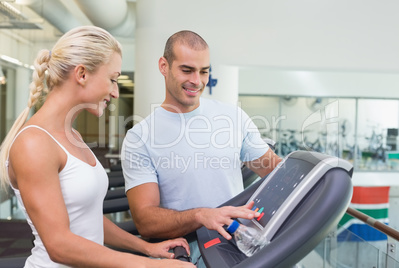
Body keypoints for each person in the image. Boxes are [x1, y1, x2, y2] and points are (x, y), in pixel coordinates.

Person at [0, 26, 195, 268]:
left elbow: (87, 218)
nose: (115, 92)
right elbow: (59, 245)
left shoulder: (72, 136)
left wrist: (146, 247)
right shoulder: (34, 144)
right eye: (112, 79)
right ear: (82, 74)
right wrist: (149, 265)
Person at [121, 30, 282, 265]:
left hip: (240, 247)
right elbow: (145, 220)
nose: (197, 81)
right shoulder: (140, 138)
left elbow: (276, 172)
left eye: (204, 71)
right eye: (186, 70)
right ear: (163, 66)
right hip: (189, 256)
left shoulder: (232, 117)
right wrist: (201, 215)